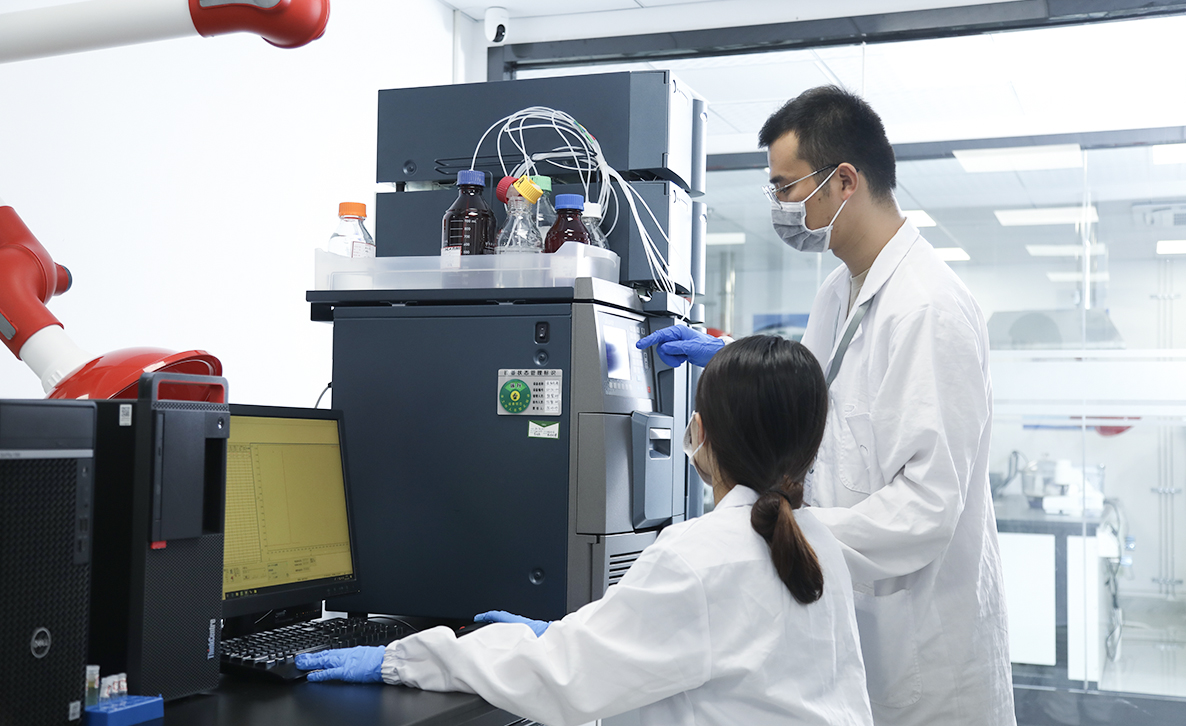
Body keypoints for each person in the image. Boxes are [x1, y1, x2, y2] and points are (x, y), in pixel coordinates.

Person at [638, 86, 1015, 726]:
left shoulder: (928, 308)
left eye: (786, 188)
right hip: (853, 631)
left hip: (923, 656)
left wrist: (773, 531)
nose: (780, 208)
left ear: (844, 180)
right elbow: (819, 400)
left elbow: (926, 509)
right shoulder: (839, 291)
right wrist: (731, 359)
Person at [298, 336, 873, 726]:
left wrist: (403, 659)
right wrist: (567, 631)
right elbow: (659, 640)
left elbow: (564, 680)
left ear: (699, 433)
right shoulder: (820, 543)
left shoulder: (699, 557)